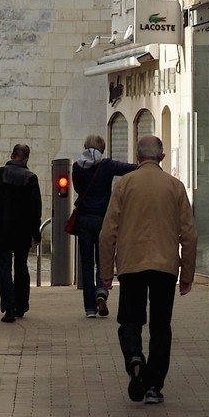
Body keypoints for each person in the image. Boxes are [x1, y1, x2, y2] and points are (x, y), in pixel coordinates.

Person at [98, 132, 196, 407]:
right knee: (161, 326)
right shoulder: (175, 187)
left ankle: (134, 357)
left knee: (130, 319)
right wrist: (187, 274)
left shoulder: (125, 184)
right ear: (161, 157)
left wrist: (106, 272)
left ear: (137, 156)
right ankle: (153, 386)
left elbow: (107, 233)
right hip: (165, 266)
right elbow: (189, 235)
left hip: (131, 265)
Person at [69, 133, 132, 316]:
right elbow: (130, 169)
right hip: (104, 219)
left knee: (87, 264)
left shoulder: (77, 166)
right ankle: (101, 292)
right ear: (102, 148)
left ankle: (89, 308)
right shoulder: (106, 165)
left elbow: (78, 189)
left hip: (84, 219)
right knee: (103, 260)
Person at [0, 143, 42, 323]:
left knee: (3, 268)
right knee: (21, 266)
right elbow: (35, 209)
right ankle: (21, 305)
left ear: (11, 155)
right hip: (22, 231)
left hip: (1, 229)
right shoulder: (31, 178)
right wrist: (36, 234)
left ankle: (8, 307)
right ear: (26, 158)